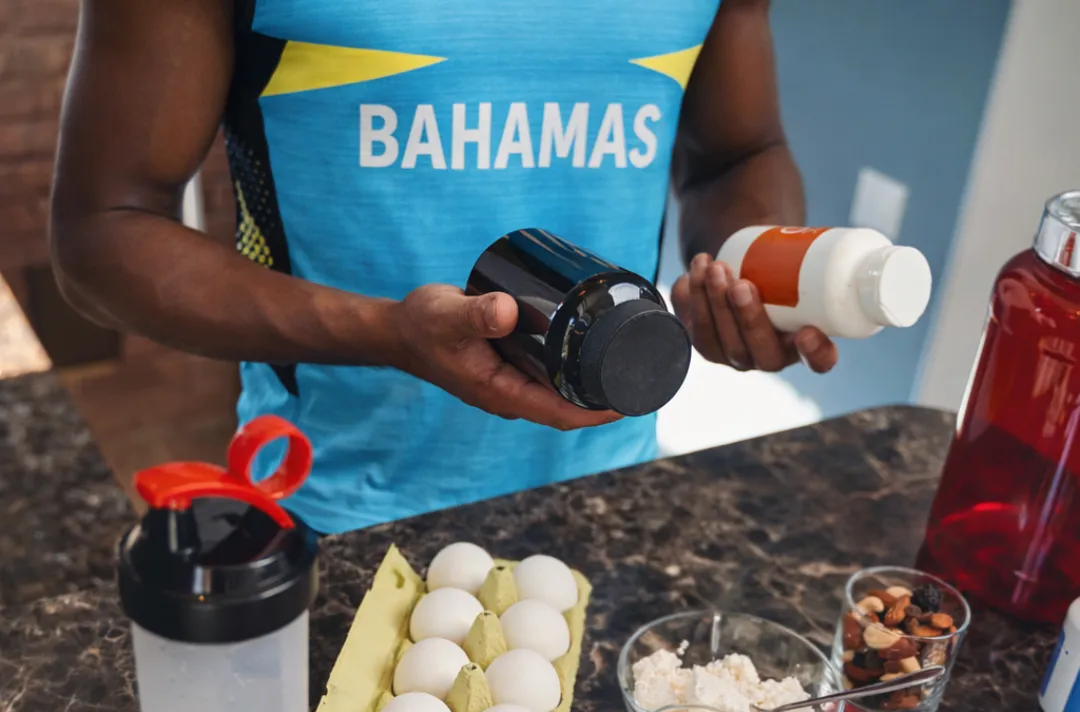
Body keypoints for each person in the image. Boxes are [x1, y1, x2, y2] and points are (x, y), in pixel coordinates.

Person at [51, 0, 837, 534]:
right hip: (333, 507)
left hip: (610, 487)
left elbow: (738, 154)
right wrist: (391, 332)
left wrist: (744, 276)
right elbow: (104, 230)